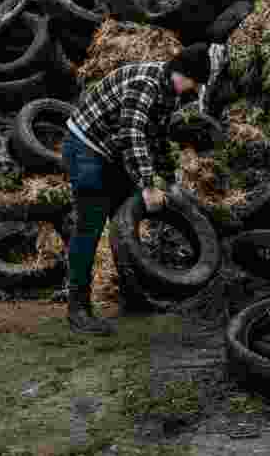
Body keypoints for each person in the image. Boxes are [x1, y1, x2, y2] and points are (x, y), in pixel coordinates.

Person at [61, 43, 212, 335]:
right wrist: (146, 185)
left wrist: (169, 181)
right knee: (90, 223)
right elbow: (133, 135)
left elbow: (156, 137)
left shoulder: (170, 93)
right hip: (86, 147)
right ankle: (77, 309)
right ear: (179, 72)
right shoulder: (147, 84)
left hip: (112, 150)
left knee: (122, 220)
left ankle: (133, 297)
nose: (192, 88)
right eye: (192, 81)